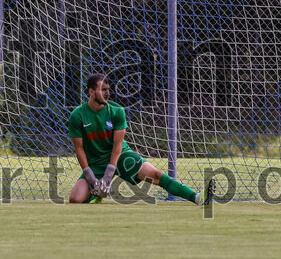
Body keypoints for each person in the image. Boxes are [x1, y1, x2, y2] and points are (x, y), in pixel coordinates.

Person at [67, 73, 213, 205]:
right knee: (75, 199)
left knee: (155, 175)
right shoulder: (77, 115)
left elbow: (117, 147)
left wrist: (108, 175)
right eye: (103, 89)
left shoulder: (117, 111)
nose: (107, 93)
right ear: (91, 92)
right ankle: (96, 194)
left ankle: (197, 197)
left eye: (108, 89)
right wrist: (91, 178)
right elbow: (79, 149)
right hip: (95, 163)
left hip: (121, 157)